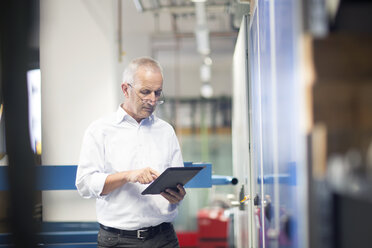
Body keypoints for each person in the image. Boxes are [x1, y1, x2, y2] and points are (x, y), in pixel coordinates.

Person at [75, 57, 186, 248]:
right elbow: (84, 184)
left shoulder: (166, 131)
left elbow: (176, 179)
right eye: (145, 92)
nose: (152, 100)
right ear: (125, 89)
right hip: (118, 240)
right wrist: (128, 176)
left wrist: (178, 196)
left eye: (157, 93)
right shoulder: (100, 130)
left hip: (164, 237)